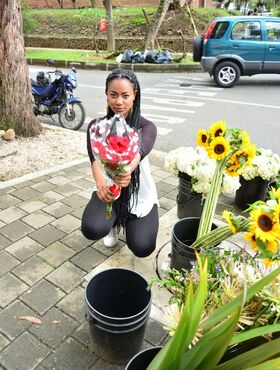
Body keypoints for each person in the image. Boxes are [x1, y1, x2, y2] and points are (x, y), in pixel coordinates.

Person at [81, 68, 159, 258]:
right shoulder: (96, 127)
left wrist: (126, 171)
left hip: (138, 192)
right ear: (106, 95)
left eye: (125, 95)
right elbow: (94, 159)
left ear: (134, 95)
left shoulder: (146, 127)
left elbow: (139, 153)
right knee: (92, 228)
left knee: (142, 246)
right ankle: (111, 225)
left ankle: (131, 219)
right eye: (113, 95)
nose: (119, 101)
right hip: (109, 188)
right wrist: (101, 185)